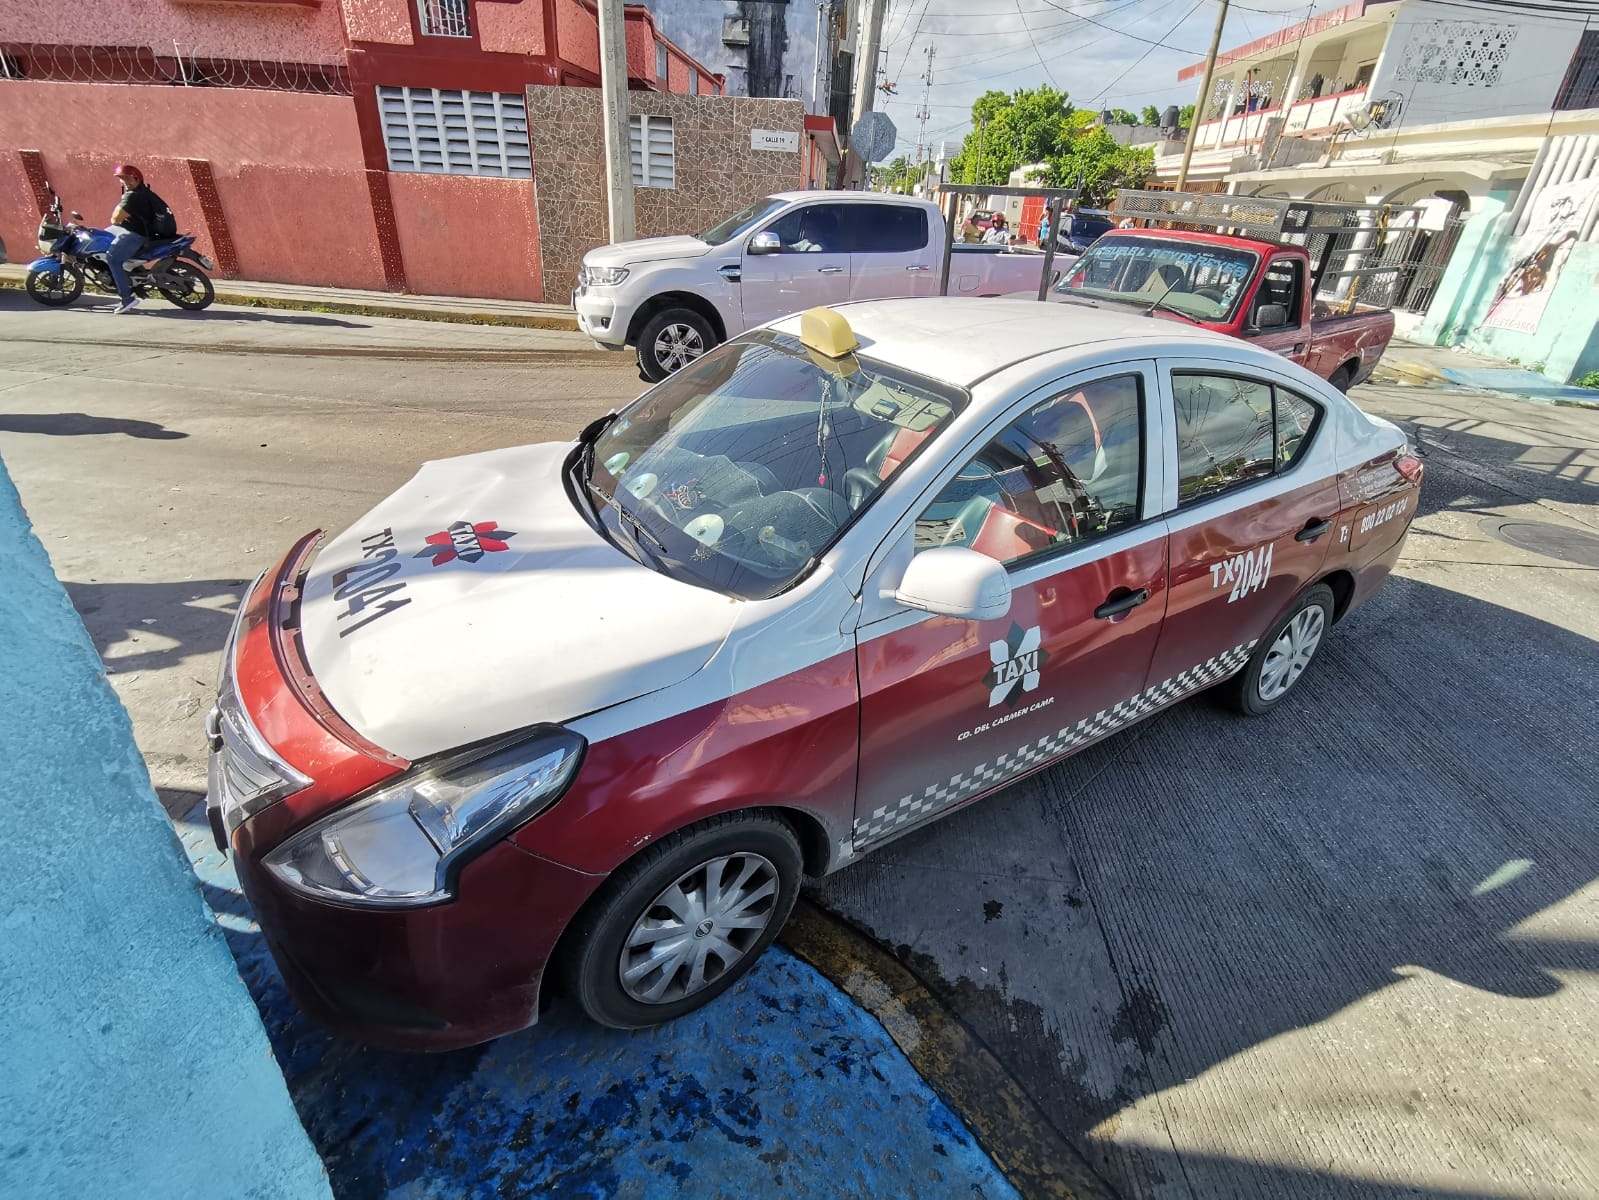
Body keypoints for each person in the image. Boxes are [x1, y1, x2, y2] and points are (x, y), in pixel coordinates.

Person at [105, 164, 176, 315]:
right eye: (122, 179)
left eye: (128, 178)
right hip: (142, 232)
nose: (125, 182)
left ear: (137, 179)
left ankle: (126, 299)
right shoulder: (143, 191)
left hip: (136, 235)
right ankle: (131, 274)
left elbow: (115, 219)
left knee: (113, 259)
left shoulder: (132, 196)